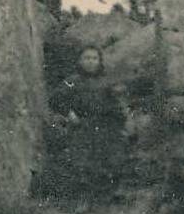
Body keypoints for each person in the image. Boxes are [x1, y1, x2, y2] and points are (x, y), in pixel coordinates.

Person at [46, 45, 130, 199]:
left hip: (106, 124)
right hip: (82, 124)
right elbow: (56, 98)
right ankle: (84, 197)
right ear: (80, 61)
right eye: (87, 58)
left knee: (114, 155)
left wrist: (122, 118)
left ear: (100, 61)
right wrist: (69, 113)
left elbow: (118, 102)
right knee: (82, 160)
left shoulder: (107, 80)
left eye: (94, 58)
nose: (91, 62)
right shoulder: (72, 81)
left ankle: (113, 192)